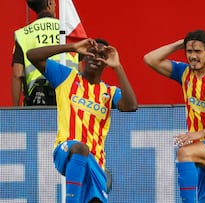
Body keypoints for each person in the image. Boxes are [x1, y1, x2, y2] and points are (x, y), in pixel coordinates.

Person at [27, 38, 138, 202]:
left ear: (106, 62)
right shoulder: (66, 77)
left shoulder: (110, 92)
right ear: (84, 56)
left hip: (96, 164)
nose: (95, 57)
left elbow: (131, 105)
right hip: (66, 150)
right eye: (92, 53)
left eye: (101, 55)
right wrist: (71, 46)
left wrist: (118, 67)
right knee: (81, 148)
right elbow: (32, 55)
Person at [144, 30, 205, 203]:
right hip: (202, 153)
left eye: (197, 51)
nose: (193, 56)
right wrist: (179, 43)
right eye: (189, 52)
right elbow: (150, 59)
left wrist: (200, 133)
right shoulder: (184, 74)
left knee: (184, 153)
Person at [12, 0, 79, 106]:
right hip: (71, 97)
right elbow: (82, 69)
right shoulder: (70, 31)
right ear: (49, 3)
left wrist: (14, 112)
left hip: (39, 100)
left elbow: (17, 74)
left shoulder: (23, 34)